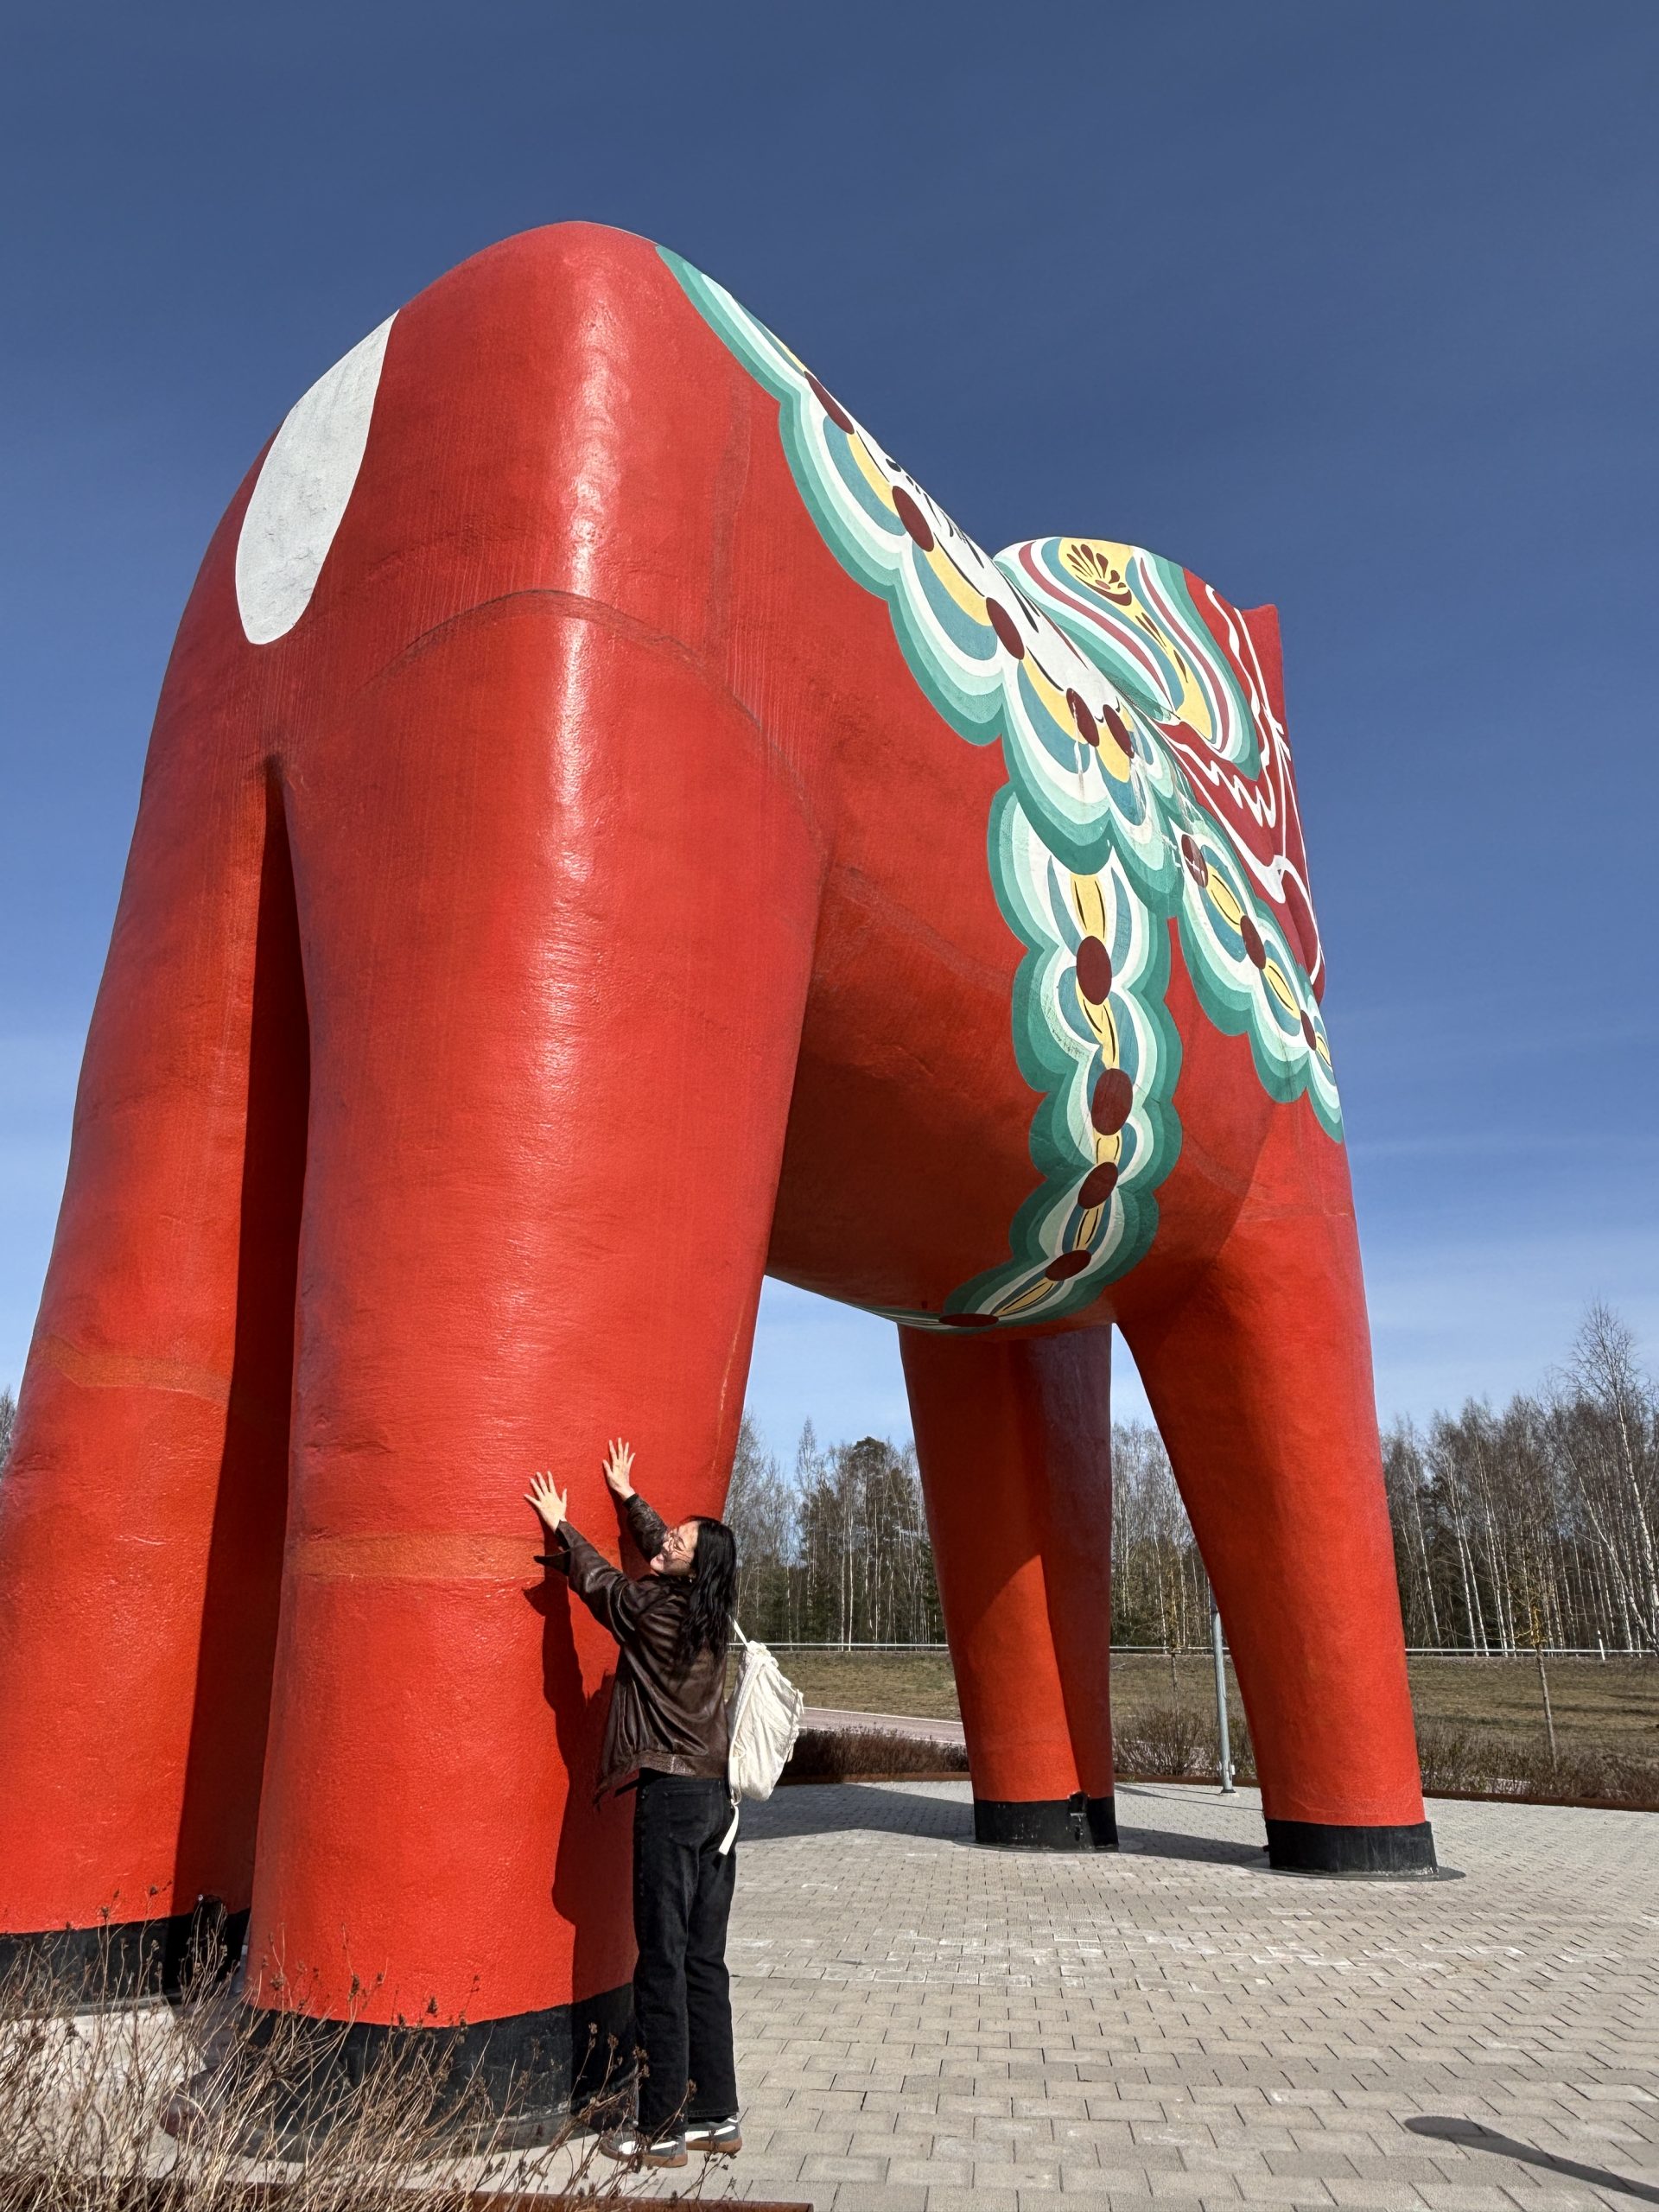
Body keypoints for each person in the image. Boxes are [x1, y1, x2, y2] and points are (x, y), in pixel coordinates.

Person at [527, 1440, 741, 2171]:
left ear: (690, 1567)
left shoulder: (654, 1612)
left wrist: (563, 1525)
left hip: (674, 1803)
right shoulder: (709, 1612)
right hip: (719, 1804)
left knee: (661, 1962)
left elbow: (605, 1592)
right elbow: (664, 1552)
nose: (666, 1541)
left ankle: (662, 2130)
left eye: (677, 1540)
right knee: (705, 1962)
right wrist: (629, 1498)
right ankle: (717, 2113)